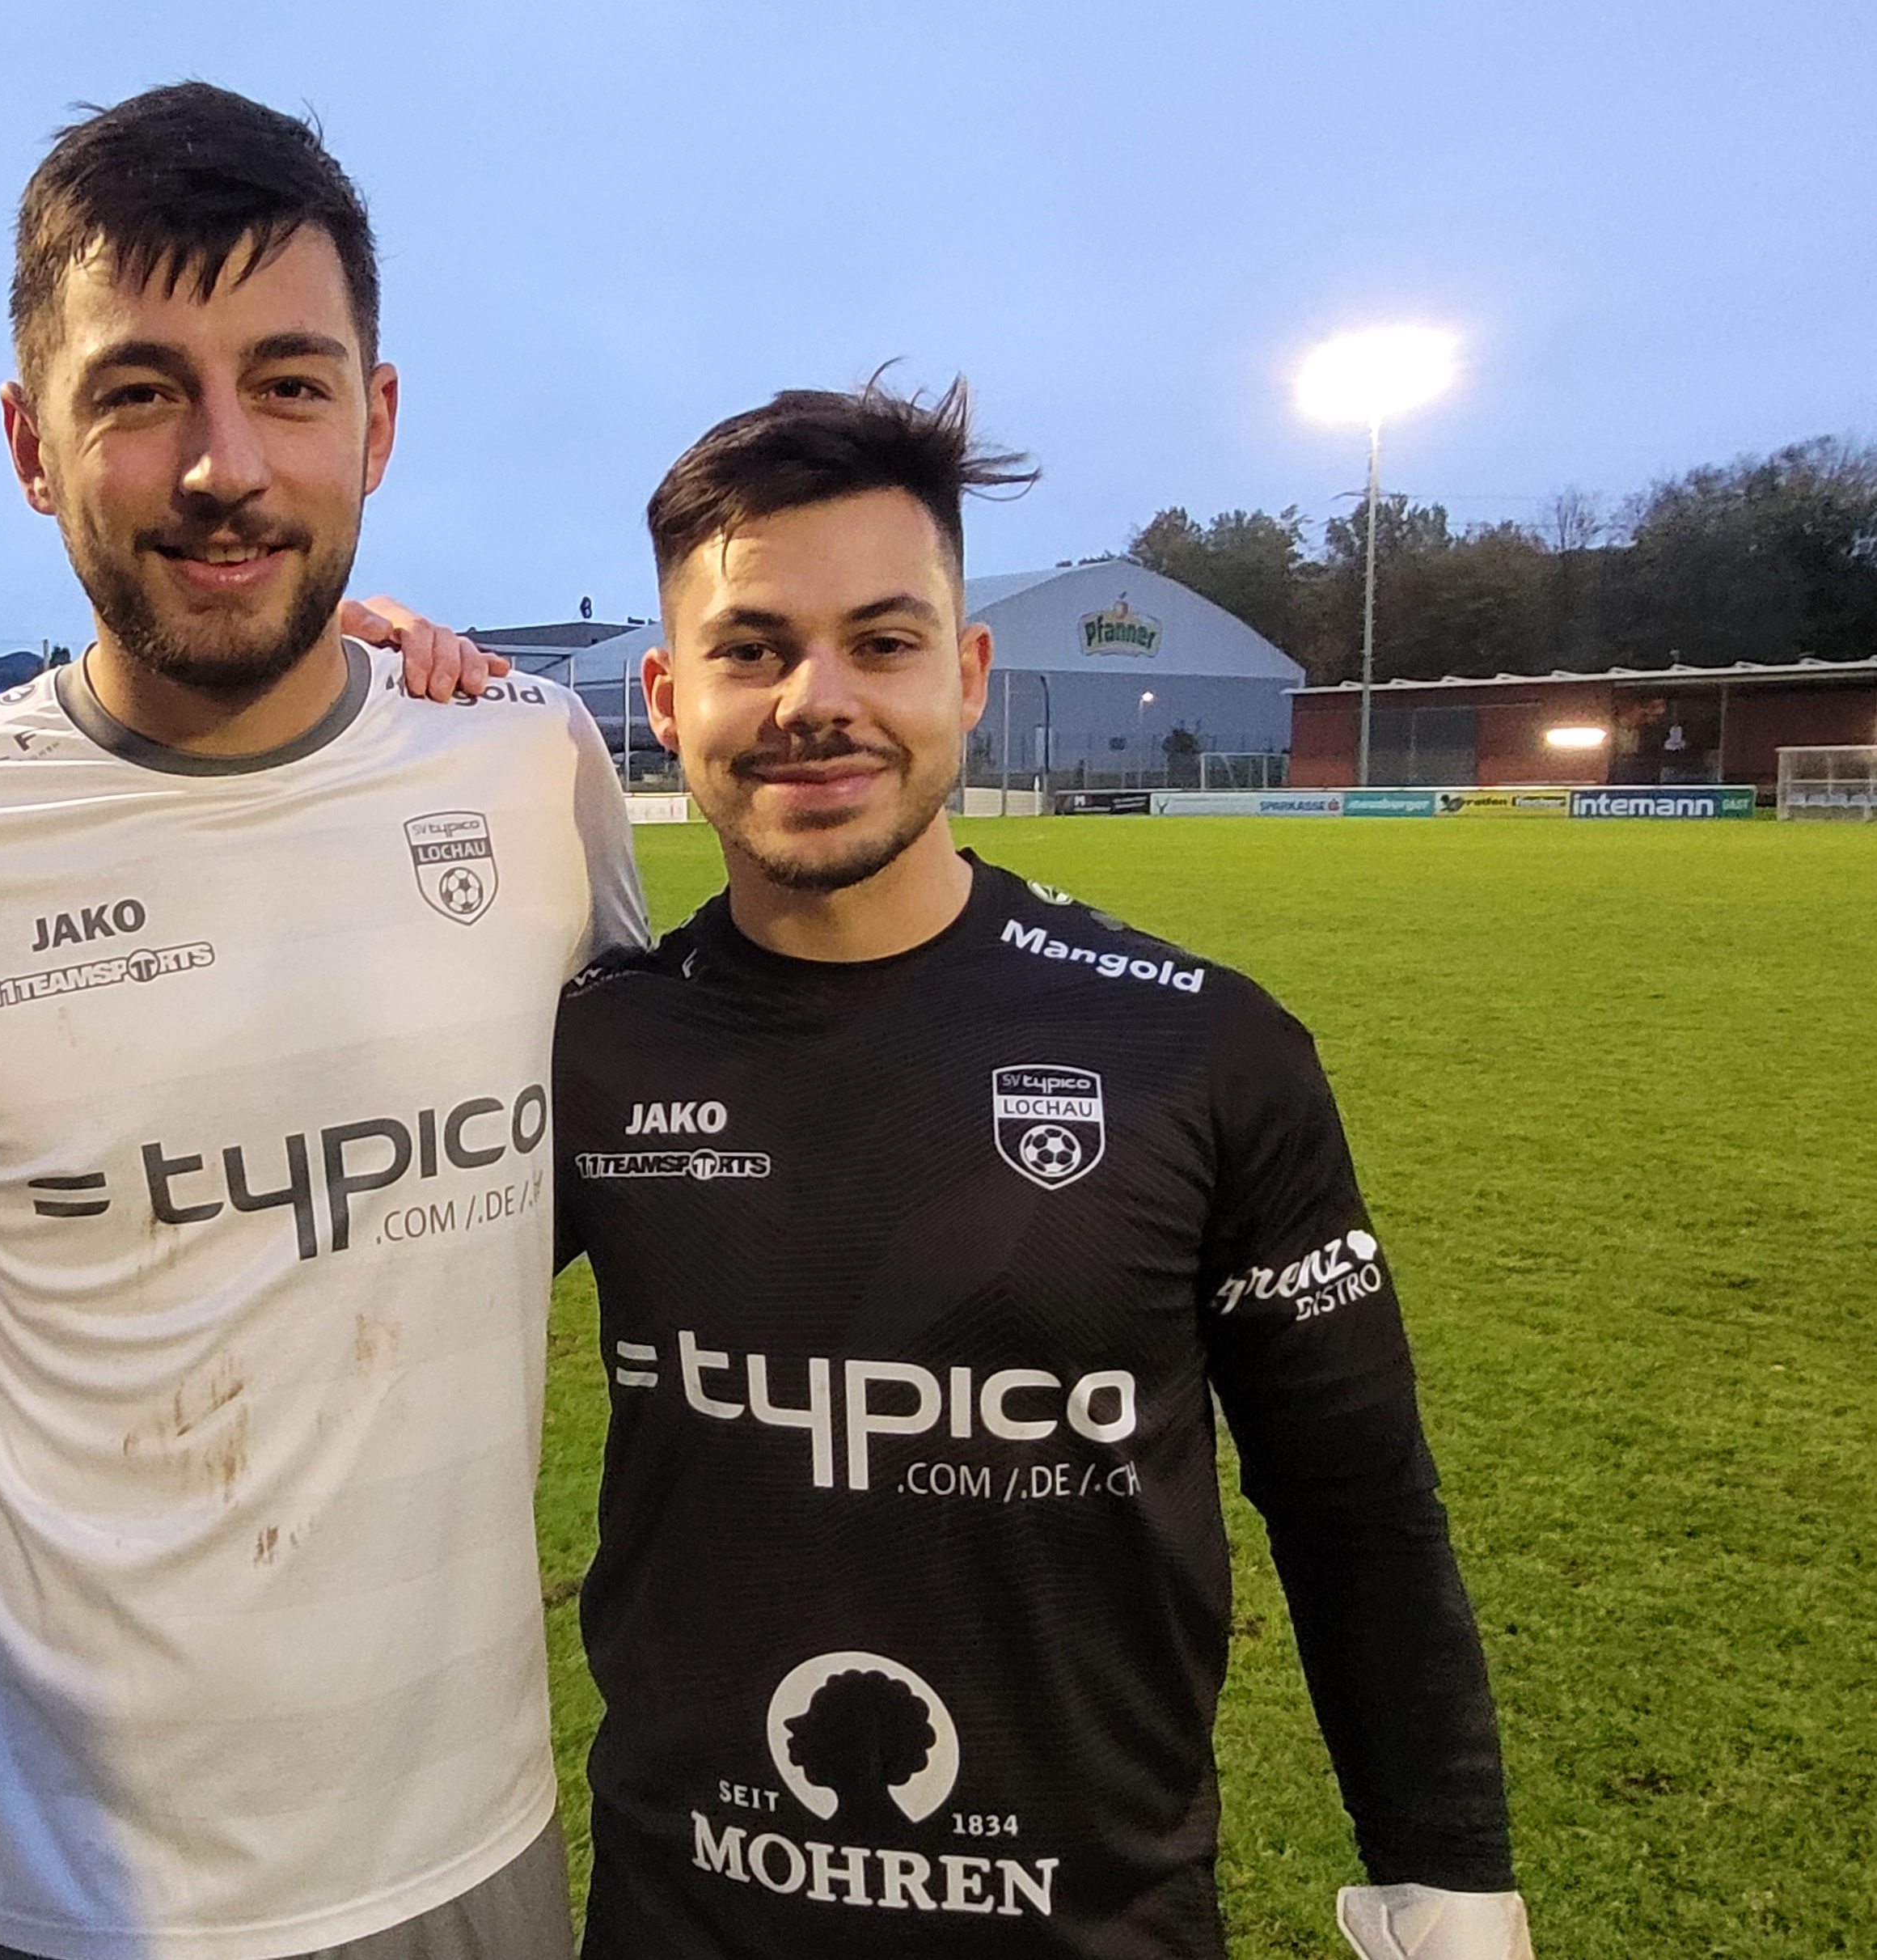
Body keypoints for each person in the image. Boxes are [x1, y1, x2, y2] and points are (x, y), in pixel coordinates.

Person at [0, 83, 648, 1960]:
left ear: (375, 420)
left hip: (460, 1841)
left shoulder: (527, 767)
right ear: (28, 441)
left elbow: (651, 1165)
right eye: (138, 391)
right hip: (53, 1886)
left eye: (287, 384)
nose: (221, 465)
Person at [551, 383, 1531, 1958]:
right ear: (666, 698)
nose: (816, 700)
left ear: (966, 675)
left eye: (882, 642)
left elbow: (1355, 1504)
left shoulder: (1200, 1048)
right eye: (752, 650)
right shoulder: (596, 1049)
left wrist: (1448, 1874)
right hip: (684, 1923)